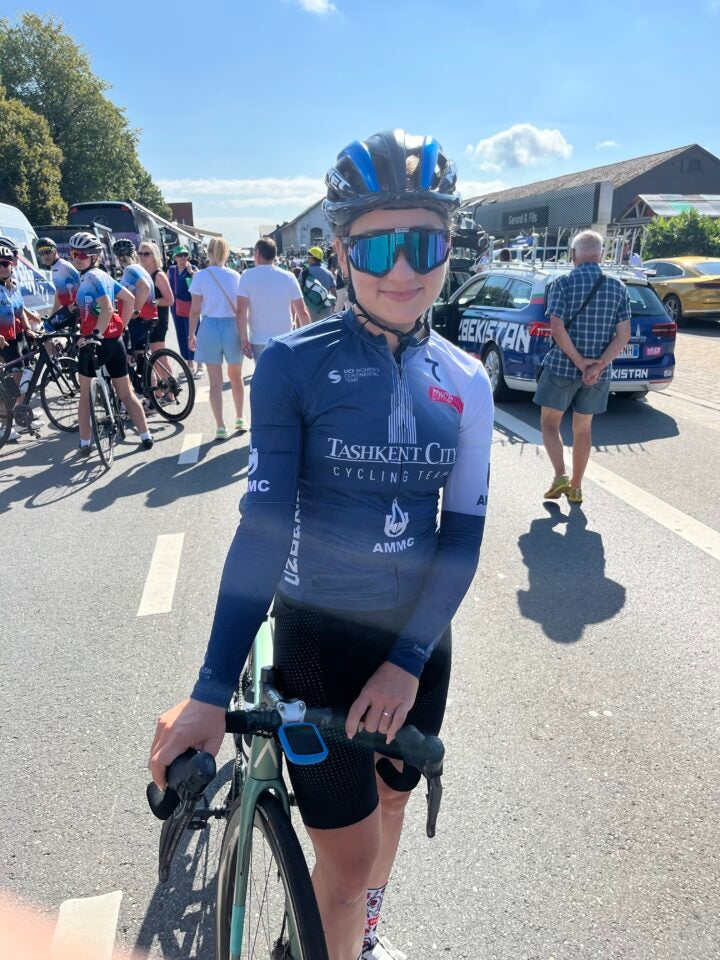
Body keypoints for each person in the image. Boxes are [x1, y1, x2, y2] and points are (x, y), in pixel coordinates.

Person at [149, 130, 494, 960]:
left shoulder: (468, 380)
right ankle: (344, 930)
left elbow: (464, 534)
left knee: (394, 810)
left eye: (425, 241)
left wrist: (408, 660)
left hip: (416, 647)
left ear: (448, 246)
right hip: (317, 647)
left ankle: (361, 937)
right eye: (379, 243)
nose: (403, 268)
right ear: (340, 249)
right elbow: (262, 529)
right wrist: (205, 690)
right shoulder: (293, 366)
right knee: (348, 864)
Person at [535, 229, 631, 505]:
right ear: (601, 255)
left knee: (549, 424)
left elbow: (556, 327)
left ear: (573, 254)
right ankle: (576, 487)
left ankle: (559, 475)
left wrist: (578, 361)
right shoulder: (618, 287)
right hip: (597, 375)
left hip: (562, 368)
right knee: (583, 429)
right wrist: (597, 366)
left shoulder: (561, 283)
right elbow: (623, 335)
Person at [70, 232, 153, 454]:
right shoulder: (104, 276)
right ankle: (145, 436)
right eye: (74, 254)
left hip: (95, 342)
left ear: (94, 256)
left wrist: (95, 334)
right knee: (126, 393)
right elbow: (129, 299)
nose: (77, 258)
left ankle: (85, 443)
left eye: (82, 254)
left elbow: (107, 307)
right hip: (114, 341)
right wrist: (122, 326)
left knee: (86, 396)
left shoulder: (91, 278)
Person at [188, 236, 246, 439]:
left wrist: (191, 335)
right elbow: (240, 309)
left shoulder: (200, 277)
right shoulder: (235, 276)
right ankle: (240, 417)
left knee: (215, 381)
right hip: (231, 326)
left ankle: (220, 425)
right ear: (227, 253)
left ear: (209, 252)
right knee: (236, 377)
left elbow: (194, 310)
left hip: (209, 326)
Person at [236, 236, 310, 361]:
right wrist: (307, 339)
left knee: (264, 378)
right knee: (285, 378)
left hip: (259, 340)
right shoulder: (289, 277)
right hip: (286, 339)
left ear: (258, 253)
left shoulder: (247, 276)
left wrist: (243, 339)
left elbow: (241, 311)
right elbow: (302, 311)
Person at [0, 238, 40, 442]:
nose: (2, 266)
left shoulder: (13, 286)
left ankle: (21, 415)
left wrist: (28, 328)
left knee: (24, 376)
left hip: (18, 337)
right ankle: (2, 424)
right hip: (3, 342)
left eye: (6, 262)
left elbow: (19, 311)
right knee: (9, 383)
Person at [113, 239, 156, 361]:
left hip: (137, 321)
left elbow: (145, 287)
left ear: (120, 258)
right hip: (148, 319)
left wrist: (135, 311)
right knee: (141, 360)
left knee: (123, 359)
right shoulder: (140, 268)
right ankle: (150, 380)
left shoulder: (130, 269)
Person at [168, 246, 202, 377]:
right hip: (176, 307)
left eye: (185, 255)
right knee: (182, 336)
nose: (183, 258)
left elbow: (199, 287)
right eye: (180, 255)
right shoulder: (171, 271)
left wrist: (191, 272)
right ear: (175, 257)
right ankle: (189, 366)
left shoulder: (193, 270)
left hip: (191, 307)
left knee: (193, 335)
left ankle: (199, 365)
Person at [138, 240, 174, 360]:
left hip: (158, 321)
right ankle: (153, 380)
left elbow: (170, 300)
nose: (142, 256)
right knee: (150, 361)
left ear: (155, 256)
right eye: (140, 253)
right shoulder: (143, 274)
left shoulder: (159, 275)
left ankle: (168, 379)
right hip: (146, 320)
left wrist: (152, 302)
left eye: (146, 254)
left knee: (159, 359)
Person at [36, 237, 80, 319]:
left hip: (75, 310)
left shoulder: (64, 267)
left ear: (55, 251)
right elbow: (58, 293)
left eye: (47, 252)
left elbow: (81, 287)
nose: (45, 256)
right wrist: (52, 315)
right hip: (68, 309)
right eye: (41, 253)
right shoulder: (55, 267)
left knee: (48, 328)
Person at [300, 245, 337, 322]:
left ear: (312, 258)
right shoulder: (329, 273)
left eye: (308, 257)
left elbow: (299, 291)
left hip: (310, 309)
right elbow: (334, 293)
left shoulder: (305, 272)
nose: (307, 259)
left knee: (312, 332)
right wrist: (332, 308)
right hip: (326, 308)